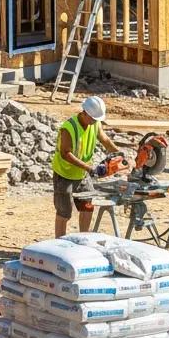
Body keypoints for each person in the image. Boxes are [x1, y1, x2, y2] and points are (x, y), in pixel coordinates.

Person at [51, 96, 119, 238]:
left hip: (82, 174)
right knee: (64, 212)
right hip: (65, 175)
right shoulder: (69, 127)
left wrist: (119, 153)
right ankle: (58, 245)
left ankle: (84, 240)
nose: (95, 121)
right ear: (85, 113)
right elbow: (65, 153)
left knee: (88, 207)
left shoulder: (94, 123)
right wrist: (89, 168)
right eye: (93, 118)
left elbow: (105, 140)